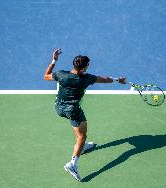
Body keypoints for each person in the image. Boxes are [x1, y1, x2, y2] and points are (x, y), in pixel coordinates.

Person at [44, 49, 126, 181]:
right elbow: (104, 79)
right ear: (84, 68)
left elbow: (46, 75)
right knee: (82, 136)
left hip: (59, 108)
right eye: (87, 66)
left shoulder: (61, 74)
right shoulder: (86, 79)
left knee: (78, 129)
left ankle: (81, 147)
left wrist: (54, 60)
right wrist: (118, 80)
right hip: (73, 110)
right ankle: (72, 164)